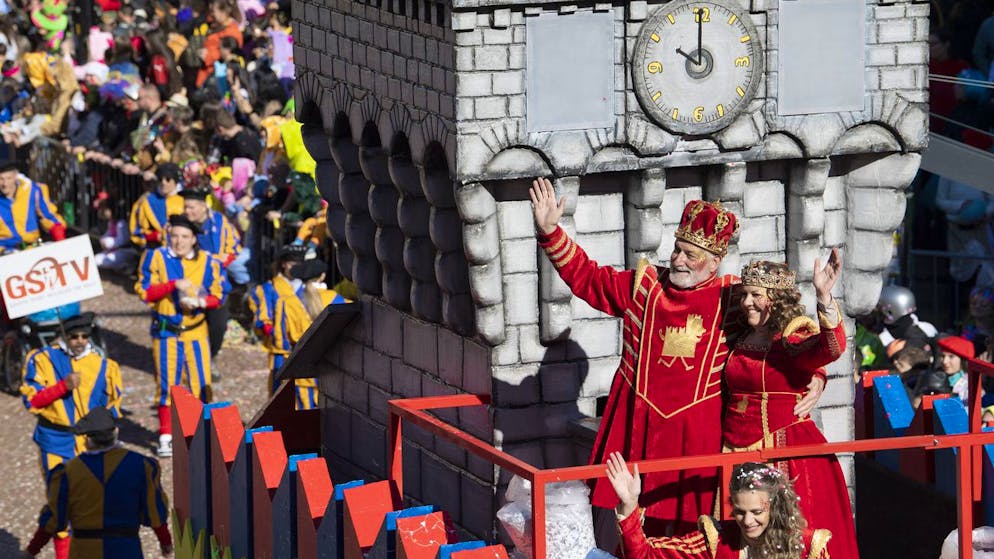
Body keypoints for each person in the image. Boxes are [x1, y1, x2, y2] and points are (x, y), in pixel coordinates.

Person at [530, 177, 824, 534]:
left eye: (691, 254)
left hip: (699, 439)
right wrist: (551, 233)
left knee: (697, 534)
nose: (679, 260)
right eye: (677, 249)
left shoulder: (733, 298)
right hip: (639, 430)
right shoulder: (645, 284)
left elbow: (785, 337)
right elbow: (589, 278)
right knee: (633, 528)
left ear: (715, 260)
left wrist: (817, 377)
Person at [722, 258, 858, 559]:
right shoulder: (740, 333)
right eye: (745, 294)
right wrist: (818, 376)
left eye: (756, 295)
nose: (746, 303)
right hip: (732, 450)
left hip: (784, 454)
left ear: (777, 298)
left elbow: (830, 348)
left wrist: (823, 296)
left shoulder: (789, 339)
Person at [18, 314, 123, 559]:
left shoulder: (105, 366)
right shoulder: (41, 359)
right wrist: (61, 387)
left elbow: (112, 409)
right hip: (55, 440)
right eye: (73, 336)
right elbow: (31, 400)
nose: (79, 341)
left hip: (91, 445)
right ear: (63, 336)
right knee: (60, 505)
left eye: (84, 336)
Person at [606, 454, 831, 559]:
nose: (748, 521)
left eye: (757, 512)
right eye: (740, 512)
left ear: (776, 507)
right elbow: (646, 556)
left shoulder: (809, 548)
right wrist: (629, 505)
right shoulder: (717, 542)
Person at [19, 407, 173, 559]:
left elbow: (54, 518)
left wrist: (32, 550)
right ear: (116, 432)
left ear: (87, 440)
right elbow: (155, 512)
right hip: (125, 549)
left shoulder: (68, 472)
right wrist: (165, 542)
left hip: (85, 550)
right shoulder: (142, 465)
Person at [135, 214, 228, 457]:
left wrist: (200, 301)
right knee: (167, 384)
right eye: (174, 236)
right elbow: (145, 292)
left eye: (184, 236)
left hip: (196, 331)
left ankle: (204, 434)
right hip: (166, 332)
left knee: (201, 384)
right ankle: (166, 435)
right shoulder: (155, 257)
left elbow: (219, 296)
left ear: (194, 239)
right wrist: (171, 285)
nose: (178, 241)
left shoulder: (209, 262)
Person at [272, 258, 348, 409]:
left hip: (301, 374)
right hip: (331, 369)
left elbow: (281, 343)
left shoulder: (286, 303)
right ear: (322, 276)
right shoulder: (335, 298)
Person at [248, 243, 306, 391]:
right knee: (279, 392)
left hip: (305, 350)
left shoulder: (308, 289)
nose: (298, 267)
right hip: (281, 351)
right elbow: (263, 318)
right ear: (284, 264)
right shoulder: (270, 288)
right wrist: (274, 333)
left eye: (301, 263)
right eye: (294, 263)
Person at [0, 158, 66, 252]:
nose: (5, 184)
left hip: (32, 248)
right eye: (1, 179)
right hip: (5, 253)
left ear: (15, 176)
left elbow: (49, 217)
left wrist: (62, 243)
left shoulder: (32, 191)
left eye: (8, 178)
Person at [129, 162, 184, 251]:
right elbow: (136, 230)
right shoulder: (147, 202)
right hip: (155, 249)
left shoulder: (185, 201)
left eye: (168, 179)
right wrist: (153, 236)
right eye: (160, 179)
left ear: (175, 181)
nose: (163, 183)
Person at [938, 335, 975, 405]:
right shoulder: (935, 377)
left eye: (951, 356)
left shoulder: (969, 385)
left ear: (963, 360)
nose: (944, 361)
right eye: (942, 356)